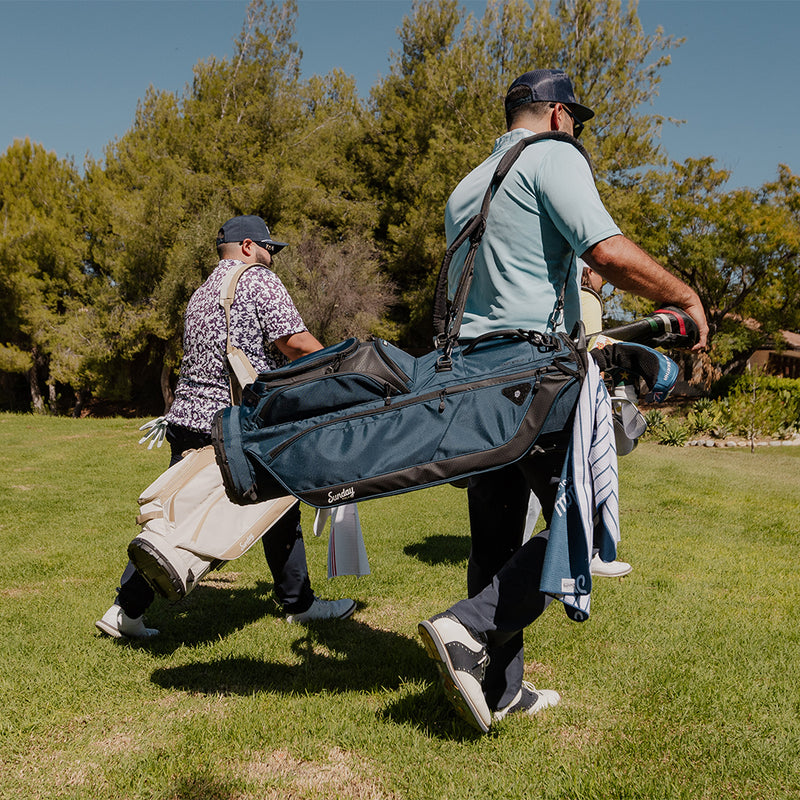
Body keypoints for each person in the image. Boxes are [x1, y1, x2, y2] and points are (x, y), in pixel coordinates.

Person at [417, 69, 707, 732]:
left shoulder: (468, 186)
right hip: (533, 371)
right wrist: (685, 299)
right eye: (574, 119)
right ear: (554, 115)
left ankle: (501, 689)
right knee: (584, 523)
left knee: (493, 539)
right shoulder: (553, 157)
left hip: (470, 374)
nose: (576, 131)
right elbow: (605, 251)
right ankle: (467, 627)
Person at [96, 215, 356, 639]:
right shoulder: (256, 279)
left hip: (188, 421)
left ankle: (125, 611)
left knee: (185, 514)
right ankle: (300, 605)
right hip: (234, 426)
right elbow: (292, 341)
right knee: (265, 504)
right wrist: (339, 367)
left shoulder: (201, 293)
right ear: (250, 246)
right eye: (271, 249)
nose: (273, 258)